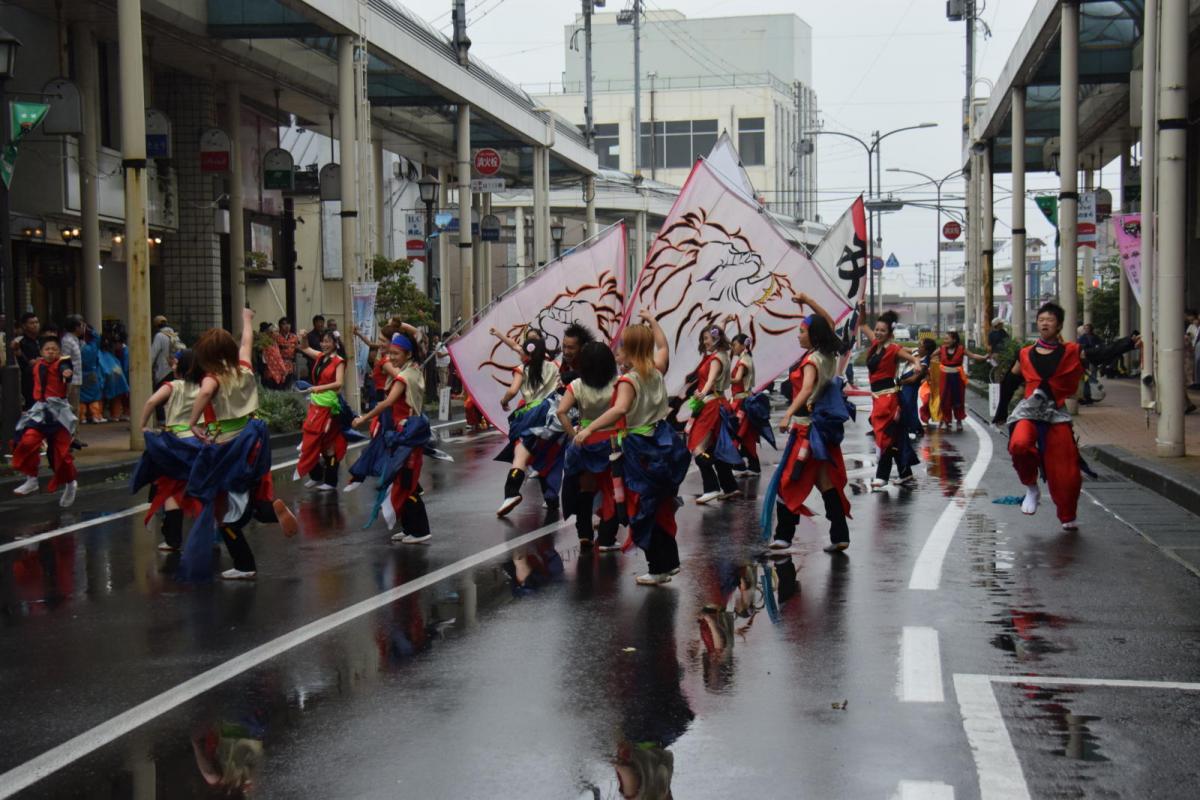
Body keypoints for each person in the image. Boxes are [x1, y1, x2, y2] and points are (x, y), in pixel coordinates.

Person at [181, 307, 299, 580]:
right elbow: (246, 342)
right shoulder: (242, 368)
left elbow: (207, 391)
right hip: (253, 440)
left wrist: (192, 421)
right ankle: (270, 512)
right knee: (251, 493)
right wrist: (247, 319)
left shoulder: (212, 378)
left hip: (227, 445)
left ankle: (245, 565)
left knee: (225, 510)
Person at [1003, 302, 1139, 530]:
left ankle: (1067, 515)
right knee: (1018, 444)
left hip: (1055, 414)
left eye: (1050, 319)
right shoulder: (1025, 353)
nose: (1044, 323)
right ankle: (1031, 487)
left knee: (1068, 473)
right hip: (1028, 412)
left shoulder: (1072, 352)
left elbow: (1100, 354)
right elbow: (1010, 380)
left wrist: (1128, 343)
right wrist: (1000, 409)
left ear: (1059, 325)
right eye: (1041, 319)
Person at [765, 294, 853, 553]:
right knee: (826, 483)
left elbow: (804, 391)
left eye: (802, 332)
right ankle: (840, 535)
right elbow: (827, 321)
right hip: (821, 432)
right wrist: (807, 300)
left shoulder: (812, 360)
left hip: (807, 431)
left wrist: (786, 414)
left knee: (789, 480)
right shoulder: (827, 353)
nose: (798, 336)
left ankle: (784, 535)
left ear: (813, 335)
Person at [348, 331, 434, 543]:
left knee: (407, 482)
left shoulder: (404, 377)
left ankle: (420, 530)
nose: (392, 357)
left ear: (407, 353)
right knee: (399, 479)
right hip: (401, 433)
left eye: (396, 353)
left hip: (406, 436)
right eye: (390, 353)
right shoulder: (412, 370)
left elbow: (387, 403)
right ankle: (408, 528)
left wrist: (362, 419)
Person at [136, 350, 205, 551]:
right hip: (199, 442)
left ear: (183, 367)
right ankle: (212, 534)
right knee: (201, 488)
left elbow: (151, 402)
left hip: (176, 444)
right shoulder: (204, 386)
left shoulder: (172, 386)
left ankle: (173, 539)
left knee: (170, 490)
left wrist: (142, 425)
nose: (172, 367)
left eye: (175, 363)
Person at [556, 340, 621, 551]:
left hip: (585, 441)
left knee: (586, 488)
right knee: (612, 490)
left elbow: (561, 412)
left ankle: (584, 533)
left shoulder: (576, 385)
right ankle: (607, 536)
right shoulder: (619, 383)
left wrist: (572, 433)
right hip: (612, 441)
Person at [495, 336, 565, 516]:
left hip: (530, 415)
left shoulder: (522, 369)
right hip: (553, 415)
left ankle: (511, 492)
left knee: (521, 453)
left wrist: (504, 401)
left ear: (527, 354)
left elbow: (512, 391)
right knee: (549, 455)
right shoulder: (555, 366)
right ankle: (551, 497)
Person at [11, 333, 79, 507]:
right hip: (40, 411)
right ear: (41, 351)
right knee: (26, 442)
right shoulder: (37, 365)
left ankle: (70, 484)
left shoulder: (62, 363)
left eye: (54, 349)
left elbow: (66, 369)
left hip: (59, 414)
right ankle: (31, 478)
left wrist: (67, 372)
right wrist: (18, 353)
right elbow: (25, 367)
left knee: (62, 456)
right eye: (47, 349)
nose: (51, 352)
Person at [861, 308, 922, 487]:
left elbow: (912, 358)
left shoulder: (893, 349)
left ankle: (882, 476)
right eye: (877, 329)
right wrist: (862, 308)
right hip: (878, 398)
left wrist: (917, 364)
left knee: (885, 436)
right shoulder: (875, 344)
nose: (878, 333)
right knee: (894, 437)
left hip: (889, 399)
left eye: (883, 330)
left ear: (890, 333)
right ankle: (905, 473)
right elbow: (862, 324)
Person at [687, 325, 741, 504]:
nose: (704, 342)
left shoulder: (717, 358)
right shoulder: (722, 354)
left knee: (697, 446)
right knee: (714, 448)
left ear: (716, 339)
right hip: (717, 402)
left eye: (707, 338)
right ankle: (730, 486)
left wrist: (703, 391)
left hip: (711, 405)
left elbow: (711, 378)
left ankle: (711, 488)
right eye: (704, 338)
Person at [293, 328, 348, 491]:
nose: (324, 344)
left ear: (335, 343)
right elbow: (304, 348)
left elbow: (339, 383)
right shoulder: (320, 357)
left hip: (330, 406)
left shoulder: (339, 361)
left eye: (328, 341)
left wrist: (319, 388)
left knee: (327, 443)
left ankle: (330, 481)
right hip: (317, 404)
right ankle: (316, 476)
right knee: (311, 440)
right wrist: (303, 338)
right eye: (323, 341)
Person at [726, 326, 775, 476]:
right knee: (746, 435)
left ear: (742, 345)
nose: (732, 348)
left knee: (737, 433)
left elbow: (738, 379)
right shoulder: (746, 358)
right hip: (743, 401)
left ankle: (739, 464)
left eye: (734, 345)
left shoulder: (743, 362)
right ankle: (751, 465)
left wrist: (721, 378)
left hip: (742, 404)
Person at [11, 313, 41, 409]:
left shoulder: (40, 341)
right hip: (27, 382)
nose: (35, 325)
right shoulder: (19, 342)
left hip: (41, 380)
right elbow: (21, 362)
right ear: (24, 326)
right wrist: (29, 362)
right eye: (31, 323)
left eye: (36, 322)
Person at [79, 324, 107, 423]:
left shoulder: (77, 346)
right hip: (92, 372)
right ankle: (96, 416)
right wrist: (89, 329)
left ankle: (82, 417)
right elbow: (97, 337)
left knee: (81, 398)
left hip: (80, 373)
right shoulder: (93, 346)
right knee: (95, 396)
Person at [60, 315, 85, 420]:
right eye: (81, 325)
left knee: (75, 408)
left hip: (77, 379)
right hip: (71, 380)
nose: (83, 327)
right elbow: (65, 360)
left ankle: (74, 434)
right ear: (76, 327)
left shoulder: (75, 339)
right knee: (72, 408)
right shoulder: (67, 340)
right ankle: (71, 434)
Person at [1076, 323, 1102, 405]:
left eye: (1088, 328)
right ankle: (1086, 396)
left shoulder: (1095, 337)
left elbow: (1100, 346)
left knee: (1092, 378)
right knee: (1086, 379)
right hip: (1086, 361)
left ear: (1091, 329)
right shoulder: (1082, 338)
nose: (1086, 329)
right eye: (1085, 328)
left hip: (1093, 360)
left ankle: (1091, 395)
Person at [273, 317, 300, 388]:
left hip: (290, 364)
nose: (287, 326)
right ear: (280, 326)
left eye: (288, 324)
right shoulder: (276, 337)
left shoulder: (294, 337)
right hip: (279, 365)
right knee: (279, 385)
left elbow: (297, 350)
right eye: (284, 324)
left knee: (289, 385)